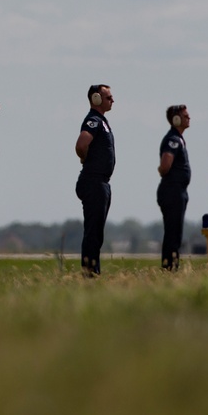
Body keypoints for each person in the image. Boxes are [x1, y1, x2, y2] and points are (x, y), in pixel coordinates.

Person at [75, 84, 115, 277]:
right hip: (94, 181)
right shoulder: (93, 120)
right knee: (93, 232)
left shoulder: (101, 121)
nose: (112, 100)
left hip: (101, 182)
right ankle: (89, 273)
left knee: (97, 232)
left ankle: (93, 271)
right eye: (108, 97)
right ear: (97, 99)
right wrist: (85, 158)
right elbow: (82, 143)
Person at [157, 104, 191, 271]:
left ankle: (170, 267)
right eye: (185, 116)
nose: (189, 118)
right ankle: (169, 268)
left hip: (177, 191)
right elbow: (165, 165)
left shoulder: (178, 139)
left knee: (175, 233)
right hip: (173, 191)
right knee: (173, 234)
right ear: (176, 119)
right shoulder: (174, 140)